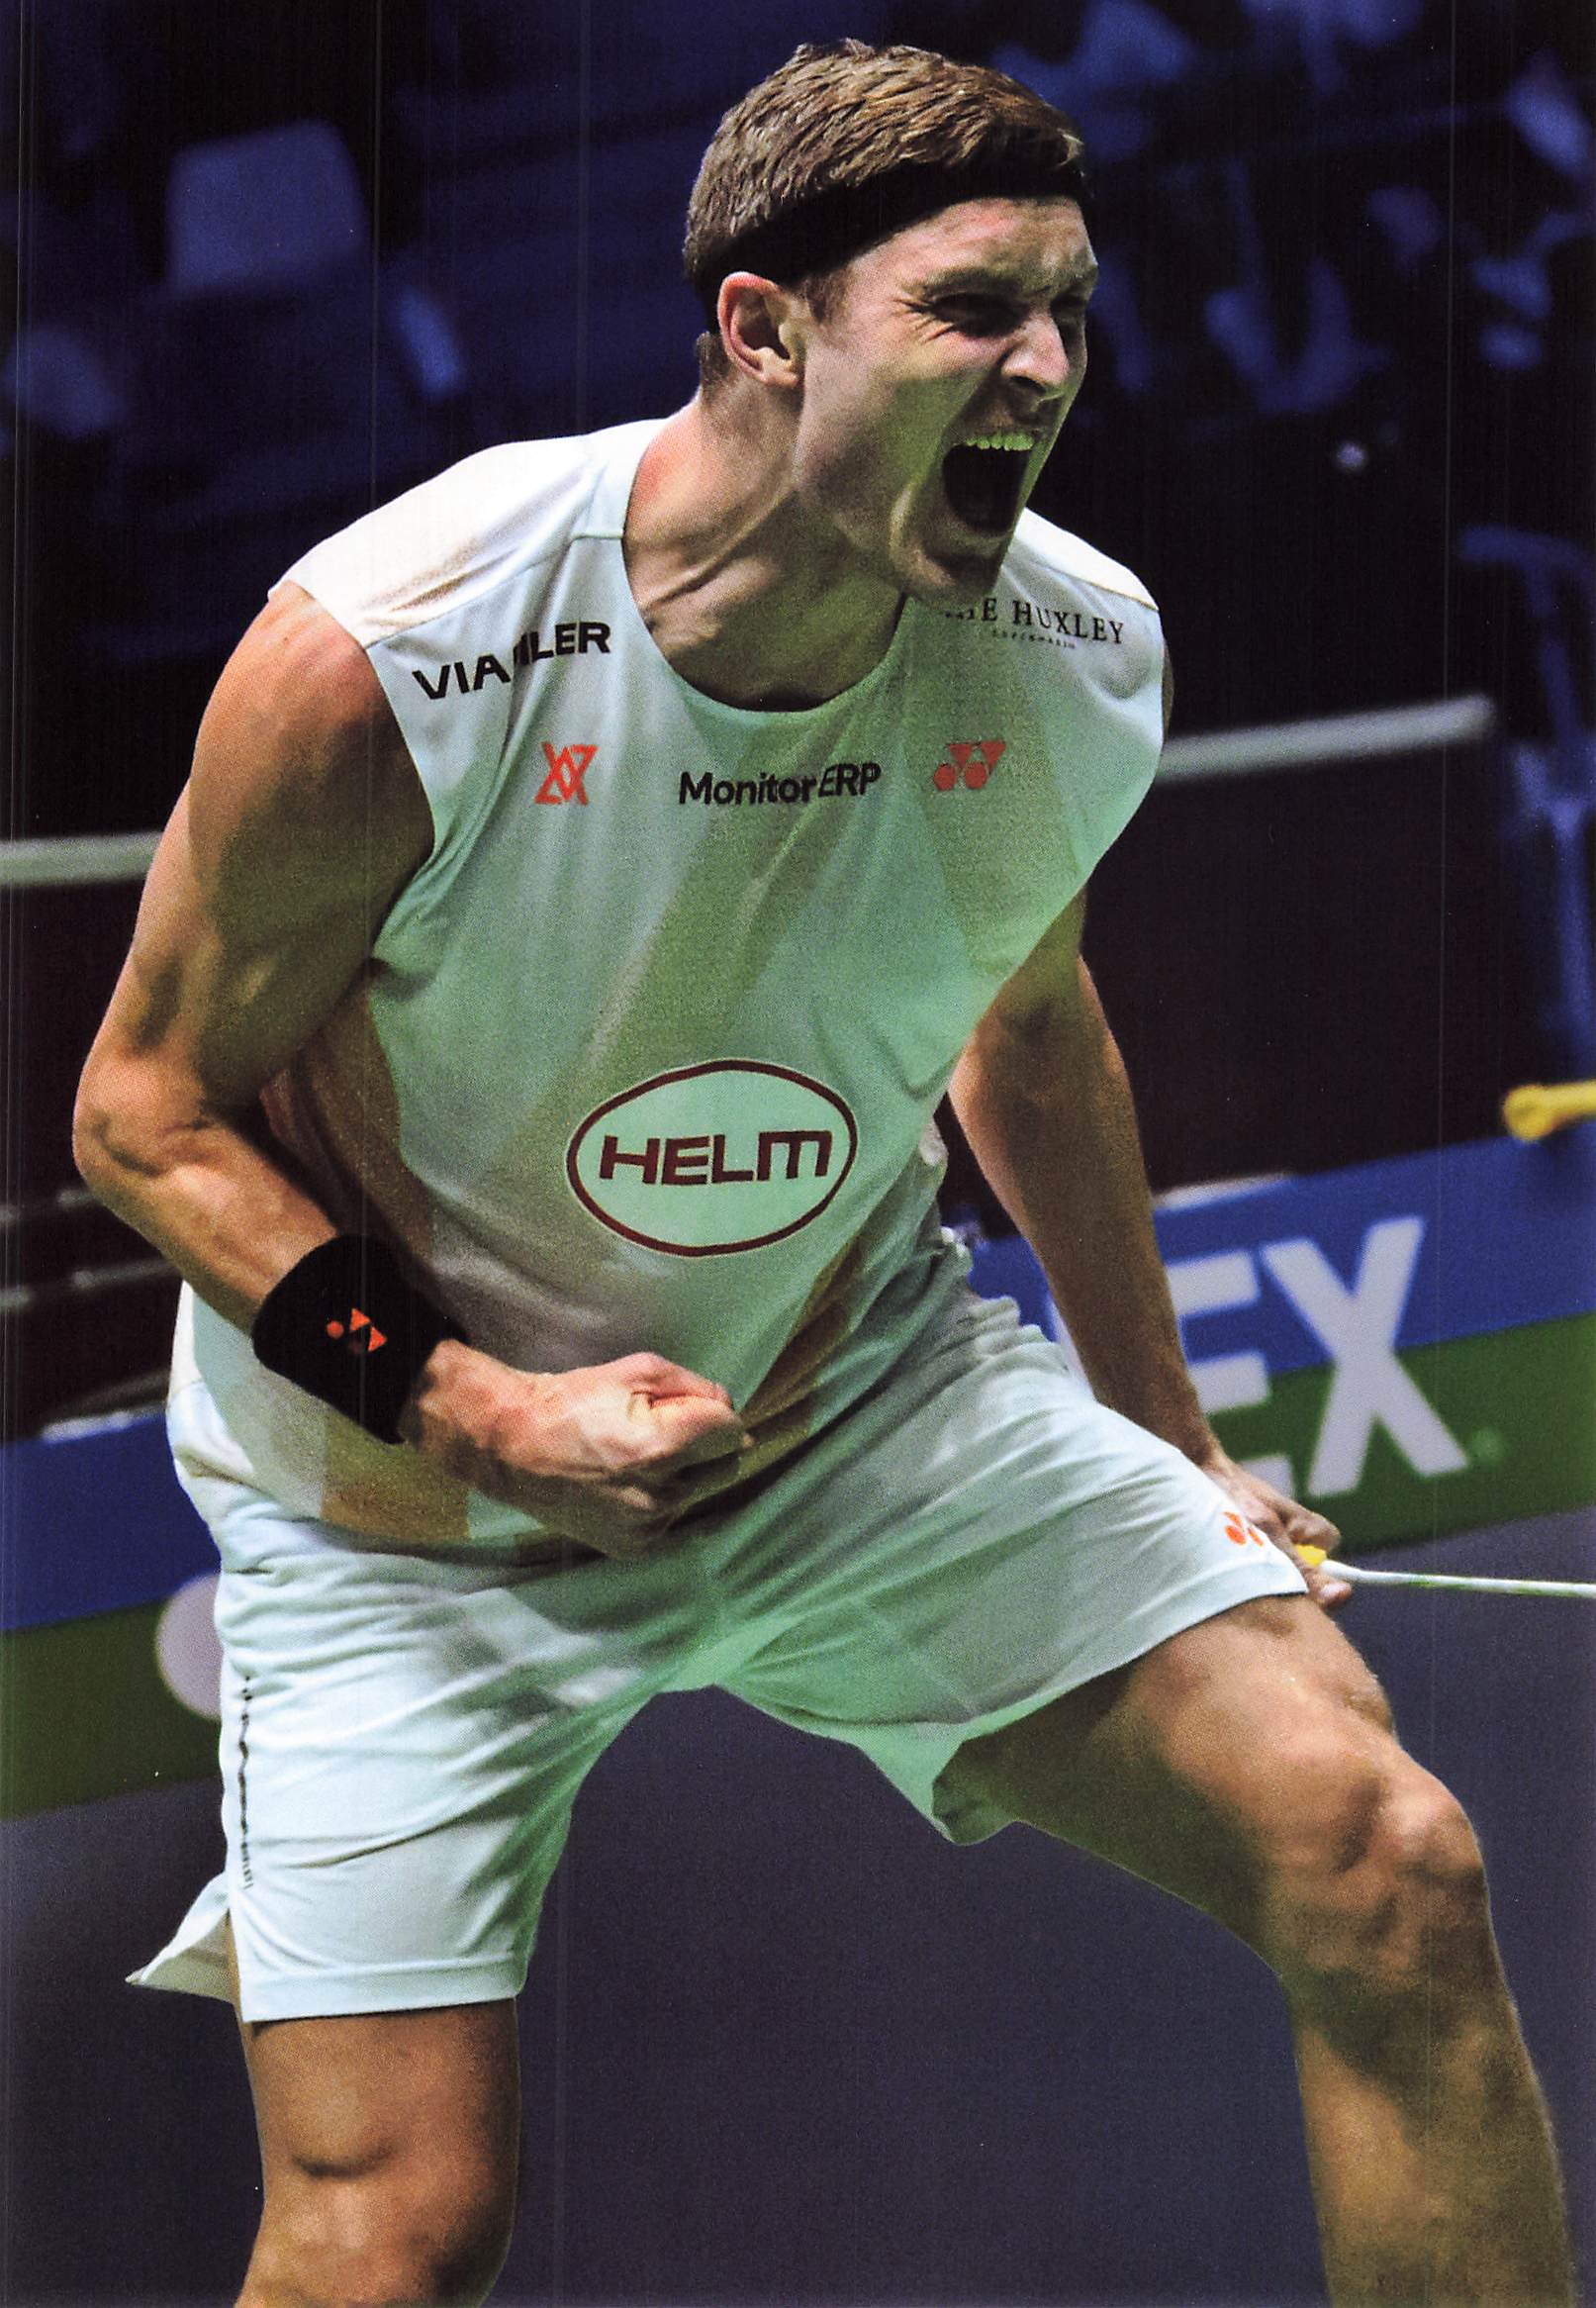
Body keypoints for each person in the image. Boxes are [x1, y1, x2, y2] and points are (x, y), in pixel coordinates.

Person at [74, 41, 1570, 2308]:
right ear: (764, 328)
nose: (1044, 367)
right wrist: (481, 1404)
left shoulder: (1069, 650)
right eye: (973, 308)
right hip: (401, 1507)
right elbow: (144, 1113)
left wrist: (1169, 1432)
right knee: (391, 2235)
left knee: (1385, 1857)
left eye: (1068, 311)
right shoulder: (403, 654)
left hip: (856, 1408)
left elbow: (1027, 1026)